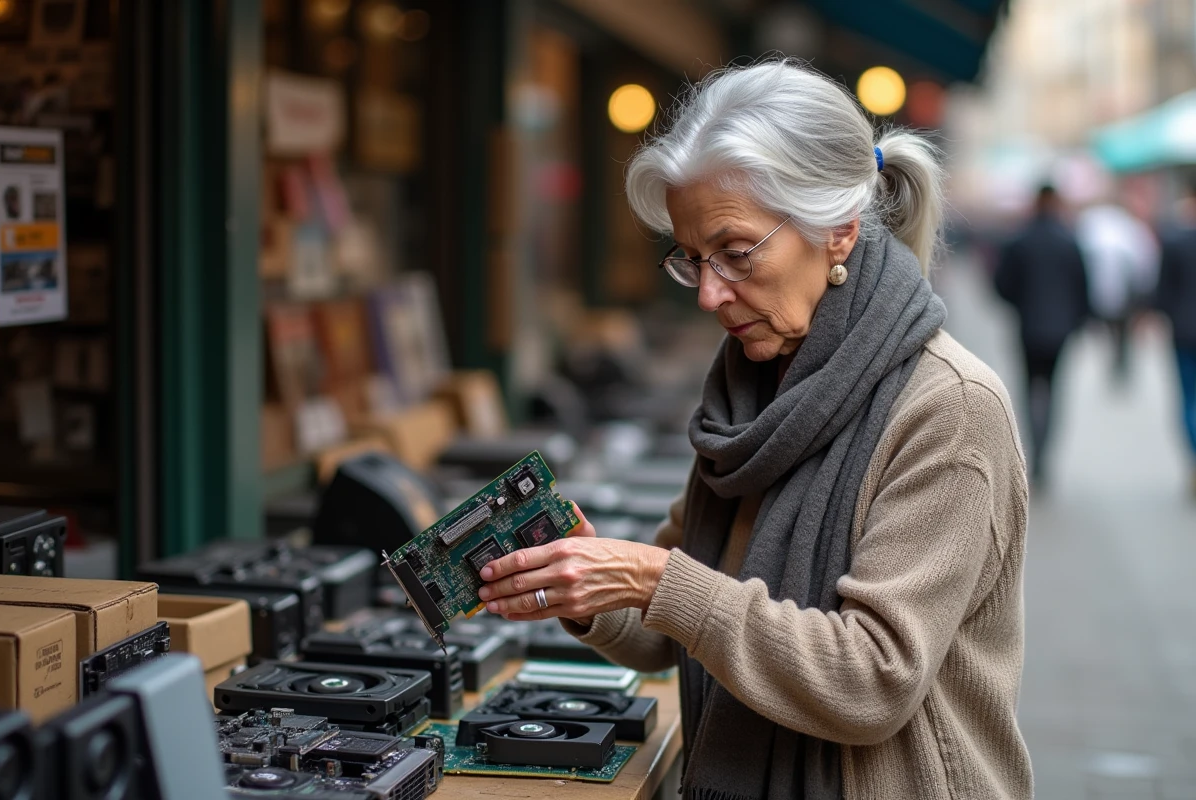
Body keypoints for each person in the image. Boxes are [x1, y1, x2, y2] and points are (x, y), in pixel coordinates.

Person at [477, 60, 1032, 799]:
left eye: (737, 254)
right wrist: (587, 579)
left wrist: (651, 576)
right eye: (693, 258)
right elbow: (673, 626)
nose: (710, 293)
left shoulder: (951, 409)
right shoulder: (751, 389)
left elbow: (871, 682)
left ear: (837, 231)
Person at [994, 184, 1090, 483]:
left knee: (1028, 388)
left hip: (1029, 327)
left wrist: (1020, 305)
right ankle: (1045, 452)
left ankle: (1034, 448)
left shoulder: (1020, 240)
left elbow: (1001, 284)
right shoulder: (1069, 241)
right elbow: (1083, 288)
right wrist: (1077, 320)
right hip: (1060, 330)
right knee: (1053, 389)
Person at [1075, 200, 1159, 384]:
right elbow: (1145, 266)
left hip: (1118, 295)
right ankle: (1120, 362)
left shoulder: (1099, 229)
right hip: (1124, 295)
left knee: (1116, 331)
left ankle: (1118, 362)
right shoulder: (1129, 230)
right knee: (1120, 333)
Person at [1157, 183, 1196, 497]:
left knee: (1188, 400)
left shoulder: (1175, 241)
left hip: (1183, 331)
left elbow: (1163, 292)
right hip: (1182, 330)